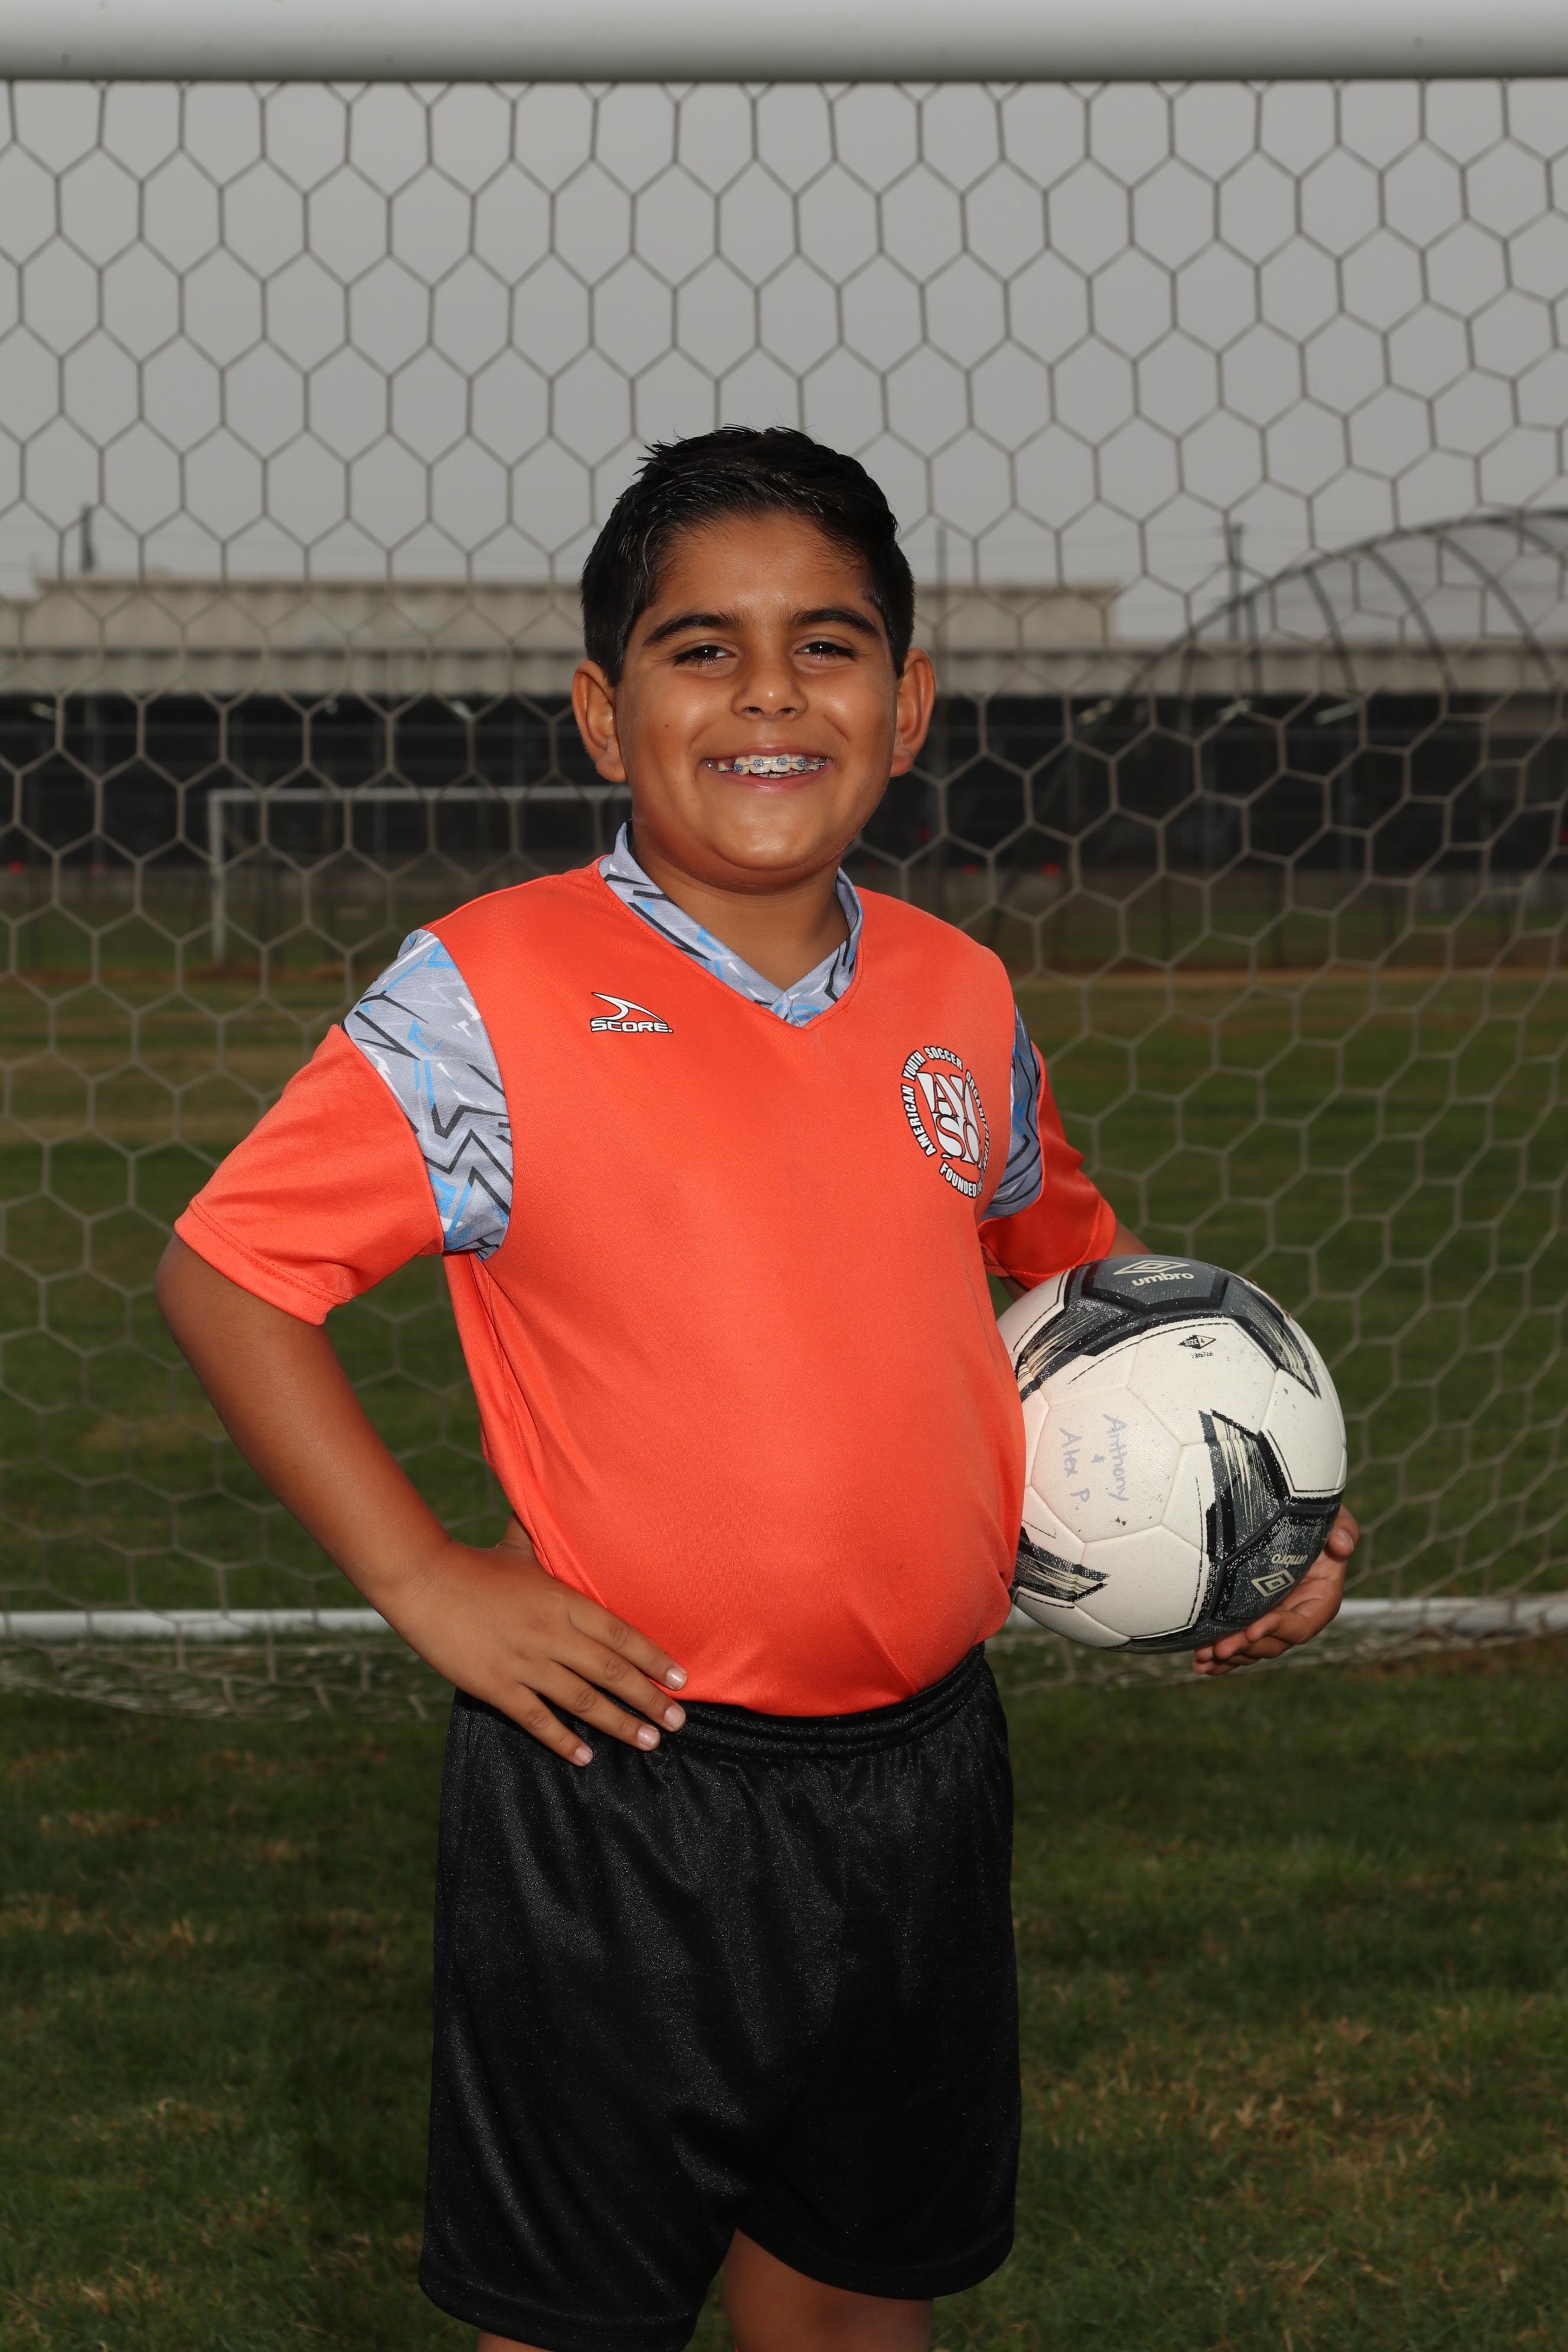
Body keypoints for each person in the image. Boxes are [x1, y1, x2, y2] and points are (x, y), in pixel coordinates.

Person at [156, 427, 1360, 2352]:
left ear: (909, 705)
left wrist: (1255, 1521)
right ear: (601, 714)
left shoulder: (962, 996)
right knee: (575, 2321)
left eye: (828, 645)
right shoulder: (489, 994)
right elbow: (228, 1275)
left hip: (924, 1784)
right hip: (621, 1792)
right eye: (702, 649)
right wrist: (425, 1578)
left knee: (857, 2308)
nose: (771, 694)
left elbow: (1088, 1288)